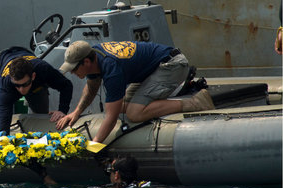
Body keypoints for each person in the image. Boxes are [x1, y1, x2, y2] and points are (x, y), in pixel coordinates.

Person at [56, 40, 215, 143]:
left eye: (74, 68)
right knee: (122, 107)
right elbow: (91, 88)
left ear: (86, 62)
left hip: (171, 66)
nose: (72, 72)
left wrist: (94, 145)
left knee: (134, 113)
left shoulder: (111, 69)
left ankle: (195, 102)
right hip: (151, 71)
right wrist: (75, 113)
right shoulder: (94, 56)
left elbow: (111, 119)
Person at [0, 46, 73, 134]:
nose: (21, 90)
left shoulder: (43, 69)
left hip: (32, 70)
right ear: (12, 79)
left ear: (33, 76)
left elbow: (66, 85)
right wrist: (2, 140)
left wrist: (62, 110)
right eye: (17, 85)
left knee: (41, 114)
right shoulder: (6, 82)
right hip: (1, 59)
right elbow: (4, 114)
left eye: (25, 84)